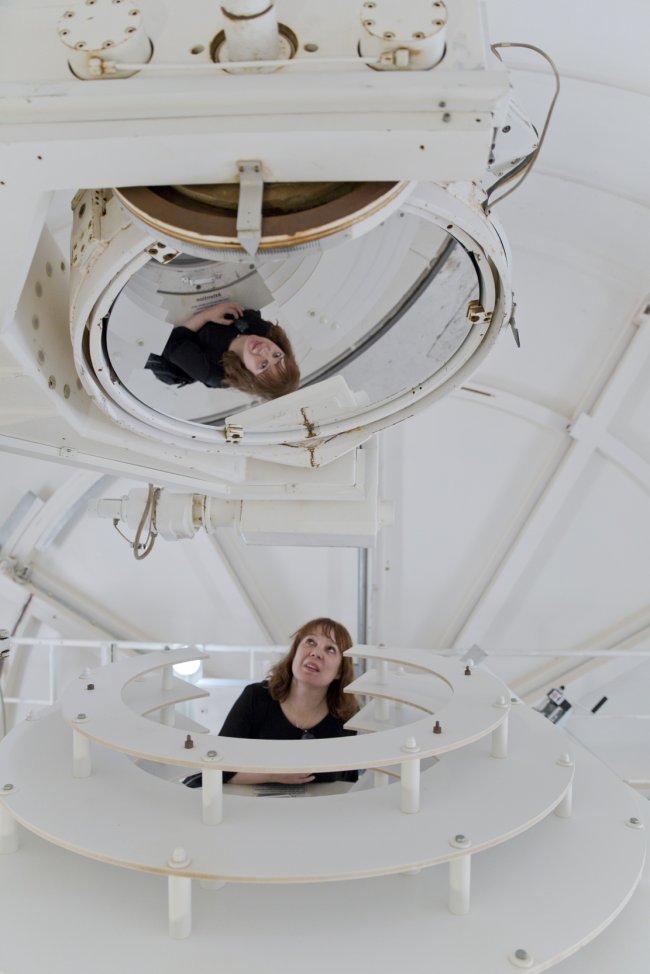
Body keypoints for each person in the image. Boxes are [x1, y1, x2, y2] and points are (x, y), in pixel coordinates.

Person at [184, 617, 359, 788]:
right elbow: (215, 769)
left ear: (339, 671)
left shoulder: (347, 714)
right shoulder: (255, 697)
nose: (316, 653)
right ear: (295, 652)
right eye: (310, 641)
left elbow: (349, 783)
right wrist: (272, 774)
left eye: (330, 649)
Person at [145, 300, 300, 399]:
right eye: (277, 355)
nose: (265, 351)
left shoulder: (212, 373)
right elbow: (248, 312)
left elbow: (169, 343)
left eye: (263, 365)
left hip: (167, 359)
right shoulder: (265, 331)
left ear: (247, 374)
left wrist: (206, 316)